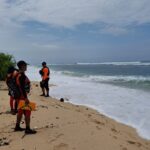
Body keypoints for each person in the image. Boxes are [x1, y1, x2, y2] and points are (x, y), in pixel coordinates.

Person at [14, 60, 36, 134]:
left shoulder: (17, 74)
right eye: (25, 65)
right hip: (22, 97)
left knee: (20, 112)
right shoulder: (22, 76)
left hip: (18, 97)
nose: (26, 66)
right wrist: (26, 98)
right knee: (28, 112)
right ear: (22, 66)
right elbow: (22, 88)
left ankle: (17, 126)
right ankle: (28, 129)